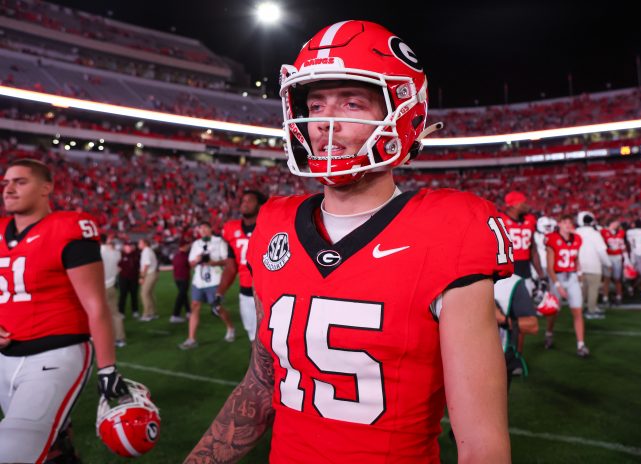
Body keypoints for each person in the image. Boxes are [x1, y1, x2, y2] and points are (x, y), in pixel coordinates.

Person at [187, 20, 512, 463]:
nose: (325, 123)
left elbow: (480, 443)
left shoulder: (449, 227)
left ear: (403, 113)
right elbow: (262, 383)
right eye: (315, 104)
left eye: (352, 103)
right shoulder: (274, 223)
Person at [0, 159, 131, 462]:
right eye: (6, 182)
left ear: (46, 188)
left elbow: (95, 304)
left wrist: (108, 368)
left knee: (13, 450)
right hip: (5, 359)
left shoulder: (67, 227)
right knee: (49, 448)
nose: (9, 188)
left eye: (20, 181)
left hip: (56, 353)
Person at [217, 190, 267, 343]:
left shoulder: (270, 226)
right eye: (243, 200)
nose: (244, 203)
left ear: (260, 206)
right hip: (246, 293)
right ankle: (258, 367)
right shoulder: (231, 229)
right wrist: (220, 292)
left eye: (249, 200)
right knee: (254, 339)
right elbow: (231, 267)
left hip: (270, 292)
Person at [499, 191, 544, 361]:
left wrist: (540, 273)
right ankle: (501, 352)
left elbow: (532, 249)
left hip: (525, 272)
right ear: (514, 204)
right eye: (523, 202)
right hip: (505, 273)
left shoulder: (530, 220)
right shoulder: (500, 219)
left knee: (522, 317)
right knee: (502, 317)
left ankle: (517, 354)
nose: (527, 205)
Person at [179, 221, 236, 350]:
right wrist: (197, 260)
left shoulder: (219, 241)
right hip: (198, 281)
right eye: (200, 228)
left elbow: (227, 261)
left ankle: (230, 327)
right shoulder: (196, 244)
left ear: (210, 229)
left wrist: (212, 262)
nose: (202, 230)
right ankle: (191, 338)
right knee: (194, 306)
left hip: (215, 280)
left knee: (217, 307)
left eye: (205, 227)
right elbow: (191, 264)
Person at [544, 214, 590, 357]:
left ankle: (581, 345)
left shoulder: (577, 239)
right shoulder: (552, 238)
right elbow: (549, 267)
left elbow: (576, 258)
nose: (568, 225)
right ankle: (549, 333)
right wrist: (558, 285)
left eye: (570, 222)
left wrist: (580, 274)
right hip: (557, 276)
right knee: (554, 311)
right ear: (559, 224)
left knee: (577, 312)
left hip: (571, 277)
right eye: (565, 222)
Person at [493, 275, 538, 389]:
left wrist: (503, 319)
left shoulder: (512, 283)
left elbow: (533, 325)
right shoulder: (461, 277)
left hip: (499, 358)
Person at [576, 213, 611, 319]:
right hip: (594, 265)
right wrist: (608, 264)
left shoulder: (576, 232)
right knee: (593, 289)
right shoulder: (595, 234)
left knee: (582, 290)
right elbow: (601, 251)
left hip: (579, 265)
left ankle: (579, 310)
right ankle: (591, 310)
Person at [101, 233, 126, 347]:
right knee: (115, 314)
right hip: (112, 285)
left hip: (102, 287)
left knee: (102, 316)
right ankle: (120, 338)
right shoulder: (116, 253)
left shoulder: (100, 252)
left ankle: (106, 338)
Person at [600, 217, 626, 306]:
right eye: (616, 222)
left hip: (617, 257)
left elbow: (622, 246)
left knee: (617, 279)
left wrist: (626, 259)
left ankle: (619, 296)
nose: (617, 224)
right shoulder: (603, 231)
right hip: (608, 256)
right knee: (606, 278)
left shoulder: (621, 232)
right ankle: (605, 297)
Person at [117, 240, 140, 318]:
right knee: (123, 295)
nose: (129, 247)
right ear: (124, 247)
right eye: (127, 246)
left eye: (130, 246)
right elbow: (117, 266)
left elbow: (138, 266)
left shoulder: (136, 255)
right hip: (123, 278)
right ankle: (121, 312)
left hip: (134, 278)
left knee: (134, 295)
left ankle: (135, 311)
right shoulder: (120, 255)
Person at [138, 238, 159, 321]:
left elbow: (146, 265)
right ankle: (152, 312)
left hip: (149, 274)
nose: (138, 245)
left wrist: (142, 277)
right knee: (149, 293)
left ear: (145, 243)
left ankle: (147, 314)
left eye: (140, 243)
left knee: (144, 294)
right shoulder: (148, 250)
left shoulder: (146, 251)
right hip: (152, 273)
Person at [171, 239, 191, 323]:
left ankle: (188, 312)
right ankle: (175, 315)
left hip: (177, 278)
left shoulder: (176, 255)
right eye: (187, 245)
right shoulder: (185, 256)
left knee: (183, 295)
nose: (188, 247)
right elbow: (189, 265)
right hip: (183, 278)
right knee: (181, 296)